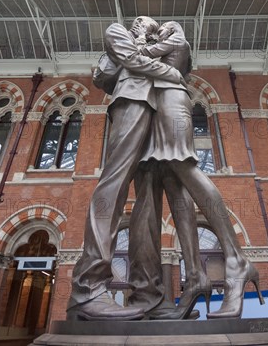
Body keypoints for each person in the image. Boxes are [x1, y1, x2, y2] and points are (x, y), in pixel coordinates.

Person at [129, 21, 264, 319]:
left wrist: (140, 38)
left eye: (161, 27)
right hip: (159, 106)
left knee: (182, 164)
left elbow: (139, 57)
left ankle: (236, 260)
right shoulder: (169, 47)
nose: (157, 29)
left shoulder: (176, 41)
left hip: (172, 103)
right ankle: (194, 276)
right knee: (171, 178)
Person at [67, 16, 185, 321]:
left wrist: (162, 55)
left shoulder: (157, 44)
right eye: (148, 21)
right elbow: (126, 63)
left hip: (158, 113)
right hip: (131, 101)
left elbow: (177, 51)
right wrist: (170, 72)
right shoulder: (117, 31)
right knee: (113, 184)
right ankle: (87, 289)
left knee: (149, 204)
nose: (153, 25)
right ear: (136, 23)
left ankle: (148, 295)